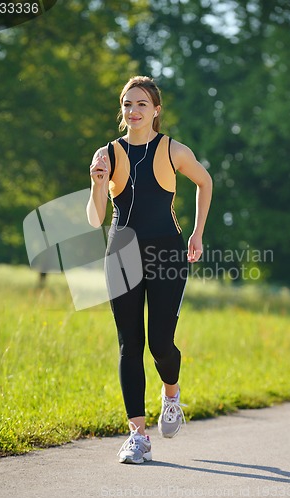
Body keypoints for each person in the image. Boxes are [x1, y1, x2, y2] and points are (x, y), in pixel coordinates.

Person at [87, 76, 212, 464]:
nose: (133, 111)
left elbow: (205, 182)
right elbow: (95, 219)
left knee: (160, 342)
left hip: (167, 253)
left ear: (156, 110)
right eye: (127, 104)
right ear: (121, 110)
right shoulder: (106, 154)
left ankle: (171, 394)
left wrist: (197, 233)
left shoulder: (173, 150)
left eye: (141, 104)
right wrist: (97, 183)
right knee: (130, 344)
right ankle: (137, 436)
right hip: (120, 252)